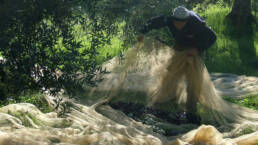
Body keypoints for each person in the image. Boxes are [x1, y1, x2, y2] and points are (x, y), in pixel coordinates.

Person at [137, 6, 217, 124]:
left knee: (193, 81)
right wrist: (142, 32)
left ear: (187, 20)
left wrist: (198, 49)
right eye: (177, 22)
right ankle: (168, 101)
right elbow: (153, 22)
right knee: (171, 74)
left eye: (183, 22)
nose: (179, 25)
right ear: (173, 19)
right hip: (180, 46)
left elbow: (212, 37)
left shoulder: (197, 23)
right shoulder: (168, 19)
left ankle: (191, 111)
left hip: (195, 49)